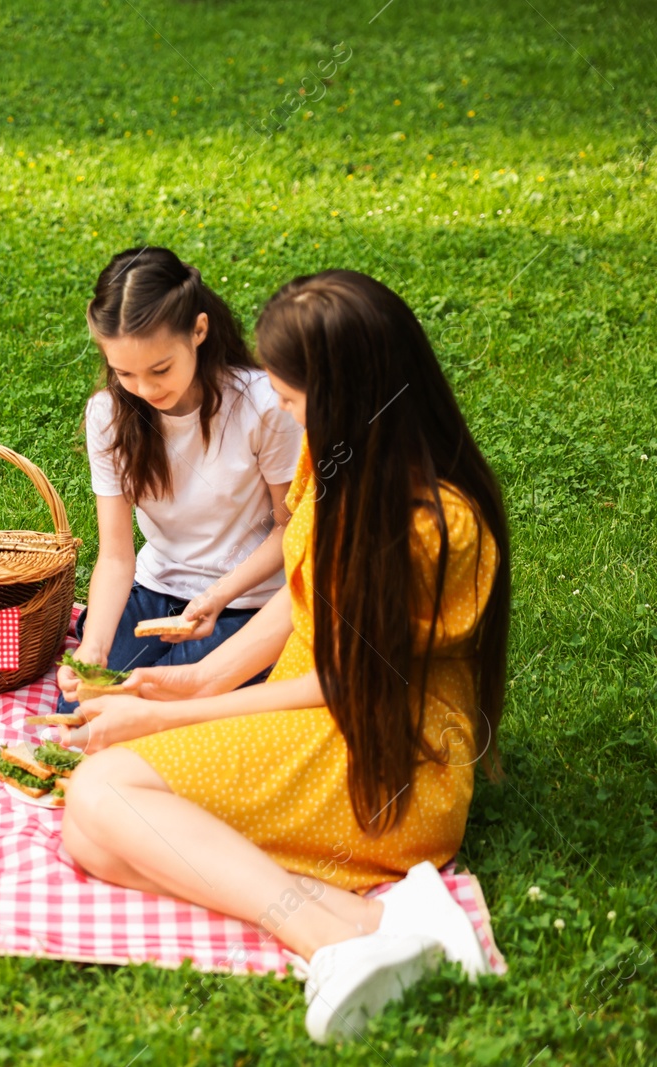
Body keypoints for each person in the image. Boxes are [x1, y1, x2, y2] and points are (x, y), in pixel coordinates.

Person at [59, 270, 511, 1043]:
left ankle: (326, 941)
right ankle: (378, 920)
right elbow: (301, 595)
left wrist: (185, 710)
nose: (288, 417)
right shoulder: (340, 460)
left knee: (104, 794)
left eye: (297, 403)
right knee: (89, 834)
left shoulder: (437, 525)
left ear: (350, 396)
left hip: (388, 759)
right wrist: (200, 675)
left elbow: (343, 684)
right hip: (317, 720)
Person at [55, 247, 303, 714]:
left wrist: (217, 596)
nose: (145, 390)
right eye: (124, 372)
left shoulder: (264, 405)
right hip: (156, 591)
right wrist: (94, 650)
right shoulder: (107, 415)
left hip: (245, 602)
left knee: (151, 716)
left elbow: (289, 527)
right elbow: (115, 553)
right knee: (84, 714)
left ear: (199, 330)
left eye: (160, 369)